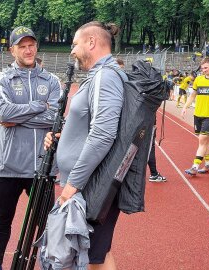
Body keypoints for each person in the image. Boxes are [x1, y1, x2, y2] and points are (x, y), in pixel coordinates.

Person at [44, 21, 125, 270]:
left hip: (90, 185)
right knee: (98, 254)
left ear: (91, 42)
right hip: (89, 183)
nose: (72, 50)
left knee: (92, 258)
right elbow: (92, 124)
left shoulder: (105, 75)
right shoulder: (100, 76)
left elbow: (103, 133)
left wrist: (74, 184)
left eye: (75, 43)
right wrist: (64, 134)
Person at [0, 26, 61, 270]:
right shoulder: (2, 81)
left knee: (48, 222)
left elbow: (56, 118)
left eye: (31, 45)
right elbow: (4, 113)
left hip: (43, 165)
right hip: (8, 165)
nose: (28, 50)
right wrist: (40, 105)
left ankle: (47, 263)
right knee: (2, 220)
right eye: (22, 46)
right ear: (12, 50)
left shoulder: (52, 81)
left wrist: (16, 118)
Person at [116, 58, 165, 183]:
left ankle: (122, 174)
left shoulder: (127, 80)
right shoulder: (153, 82)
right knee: (148, 148)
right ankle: (152, 173)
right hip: (146, 122)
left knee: (129, 147)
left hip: (131, 121)